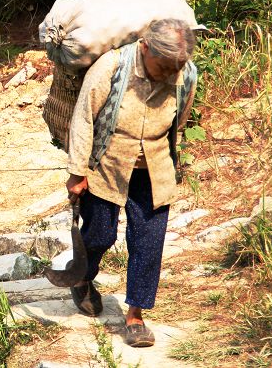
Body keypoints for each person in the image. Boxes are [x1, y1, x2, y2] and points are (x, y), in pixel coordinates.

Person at [65, 18, 197, 348]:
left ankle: (135, 315)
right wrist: (77, 172)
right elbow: (83, 118)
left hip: (154, 166)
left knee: (148, 241)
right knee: (100, 233)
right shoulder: (112, 66)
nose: (170, 73)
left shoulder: (185, 74)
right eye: (163, 65)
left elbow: (178, 122)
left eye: (175, 67)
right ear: (145, 47)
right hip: (107, 162)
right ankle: (81, 277)